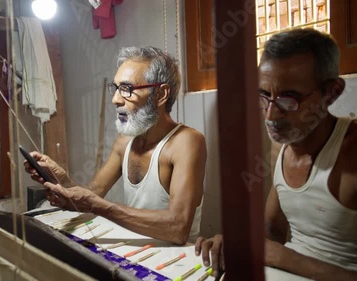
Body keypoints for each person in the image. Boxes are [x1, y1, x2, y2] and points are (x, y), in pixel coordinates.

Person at [195, 29, 357, 280]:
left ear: (332, 92)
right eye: (263, 95)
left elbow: (276, 252)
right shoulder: (282, 146)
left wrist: (283, 257)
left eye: (288, 99)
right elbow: (272, 235)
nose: (270, 115)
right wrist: (235, 246)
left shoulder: (351, 152)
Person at [24, 46, 206, 245]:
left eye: (127, 89)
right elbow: (94, 192)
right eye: (116, 88)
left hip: (176, 258)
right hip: (135, 249)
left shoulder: (187, 141)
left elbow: (177, 227)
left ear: (160, 94)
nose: (115, 99)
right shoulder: (125, 140)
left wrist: (101, 207)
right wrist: (62, 179)